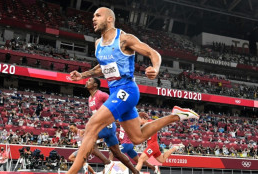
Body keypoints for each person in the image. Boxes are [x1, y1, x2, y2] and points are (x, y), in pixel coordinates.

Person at [68, 7, 199, 173]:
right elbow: (102, 67)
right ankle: (176, 116)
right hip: (116, 93)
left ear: (109, 19)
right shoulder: (98, 44)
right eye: (93, 16)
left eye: (98, 15)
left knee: (91, 126)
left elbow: (154, 53)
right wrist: (82, 75)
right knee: (137, 137)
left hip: (127, 90)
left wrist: (156, 68)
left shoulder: (124, 39)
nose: (93, 18)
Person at [86, 77, 138, 173]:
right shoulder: (90, 98)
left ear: (95, 85)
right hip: (102, 126)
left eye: (89, 80)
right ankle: (135, 171)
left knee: (88, 140)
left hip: (107, 125)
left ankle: (107, 162)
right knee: (117, 154)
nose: (86, 81)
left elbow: (117, 103)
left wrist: (129, 113)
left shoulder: (101, 95)